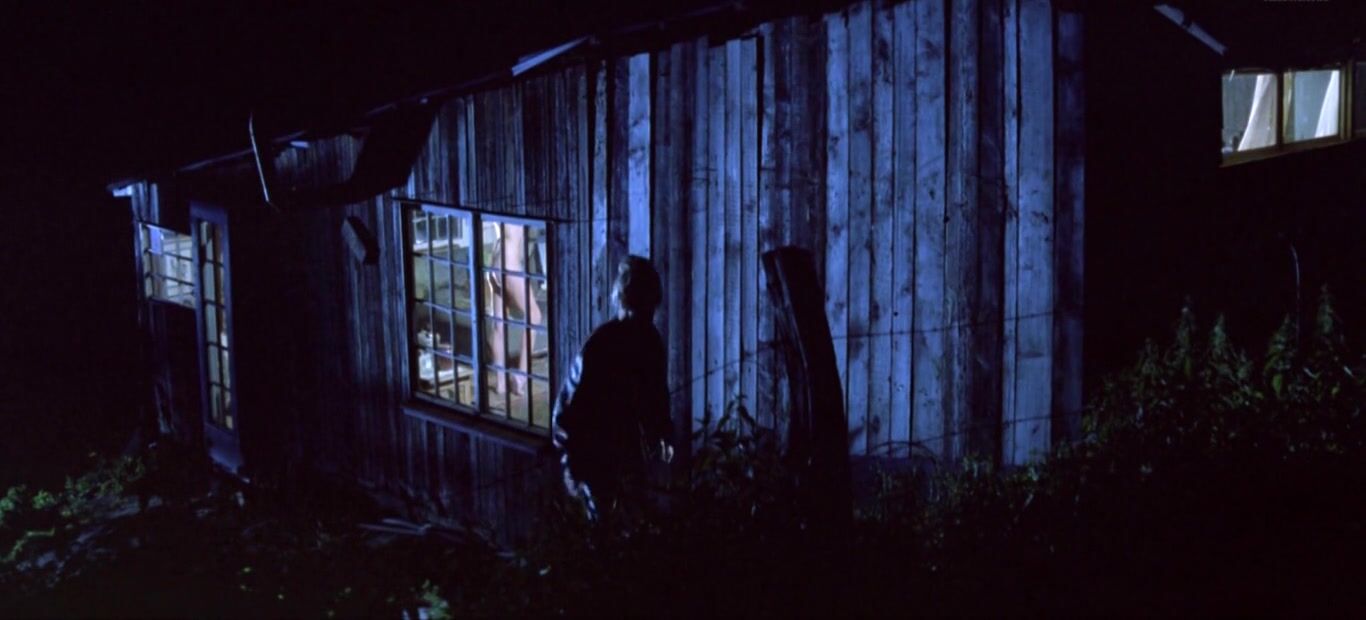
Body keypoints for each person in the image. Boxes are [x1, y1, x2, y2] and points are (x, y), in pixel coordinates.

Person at [552, 256, 674, 520]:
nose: (646, 315)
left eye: (649, 308)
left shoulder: (650, 343)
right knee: (604, 525)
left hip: (629, 455)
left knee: (635, 521)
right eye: (640, 307)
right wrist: (571, 467)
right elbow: (565, 412)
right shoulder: (599, 347)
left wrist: (664, 432)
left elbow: (657, 396)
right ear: (624, 302)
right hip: (595, 457)